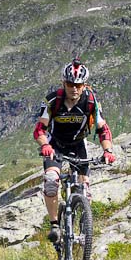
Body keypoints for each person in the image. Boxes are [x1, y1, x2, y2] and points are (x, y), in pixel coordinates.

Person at [33, 59, 116, 243]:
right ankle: (55, 225)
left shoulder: (91, 101)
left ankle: (82, 223)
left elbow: (103, 129)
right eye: (70, 84)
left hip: (79, 145)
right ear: (64, 83)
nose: (74, 89)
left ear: (84, 85)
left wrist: (108, 150)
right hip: (55, 144)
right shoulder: (53, 100)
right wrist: (45, 145)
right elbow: (40, 129)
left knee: (84, 189)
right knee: (51, 181)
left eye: (78, 85)